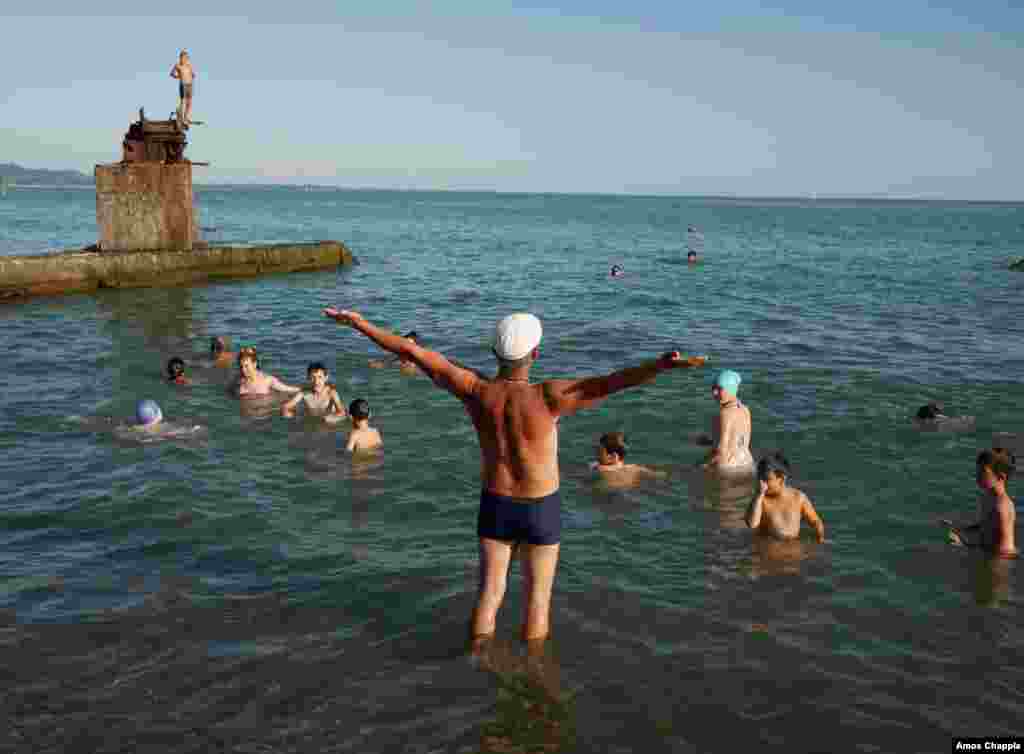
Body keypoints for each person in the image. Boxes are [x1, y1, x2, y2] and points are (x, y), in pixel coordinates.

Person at [323, 306, 707, 645]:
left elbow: (411, 350)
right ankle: (532, 680)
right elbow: (613, 381)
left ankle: (476, 664)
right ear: (535, 354)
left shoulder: (475, 390)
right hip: (541, 506)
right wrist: (660, 365)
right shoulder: (549, 396)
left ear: (494, 352)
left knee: (489, 595)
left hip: (496, 503)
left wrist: (359, 323)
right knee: (537, 602)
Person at [944, 448, 1018, 558]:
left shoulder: (1002, 507)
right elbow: (987, 525)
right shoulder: (989, 497)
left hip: (1000, 564)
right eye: (977, 471)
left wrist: (963, 545)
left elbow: (1004, 551)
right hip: (990, 556)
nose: (977, 476)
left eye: (982, 472)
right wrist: (961, 528)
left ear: (1001, 477)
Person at [745, 452, 825, 543]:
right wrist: (758, 496)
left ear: (781, 479)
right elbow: (752, 524)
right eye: (759, 478)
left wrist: (820, 537)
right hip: (768, 552)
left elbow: (815, 521)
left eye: (766, 479)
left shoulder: (798, 498)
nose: (761, 484)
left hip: (793, 549)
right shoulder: (761, 500)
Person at [703, 369, 754, 474]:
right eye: (713, 388)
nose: (714, 392)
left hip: (728, 468)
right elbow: (740, 440)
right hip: (747, 463)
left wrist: (702, 466)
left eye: (719, 389)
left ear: (731, 389)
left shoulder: (725, 414)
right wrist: (711, 441)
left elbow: (721, 450)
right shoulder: (745, 409)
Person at [592, 431, 666, 487]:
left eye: (599, 451)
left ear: (613, 456)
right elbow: (658, 475)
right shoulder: (633, 468)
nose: (596, 454)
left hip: (609, 495)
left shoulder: (599, 468)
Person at [281, 362, 346, 421]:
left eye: (320, 377)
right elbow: (286, 406)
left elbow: (342, 412)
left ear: (326, 378)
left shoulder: (331, 393)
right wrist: (287, 413)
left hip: (327, 422)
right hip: (311, 419)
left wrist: (332, 418)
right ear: (308, 378)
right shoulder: (304, 393)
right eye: (313, 377)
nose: (316, 381)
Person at [231, 346, 302, 398]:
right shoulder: (238, 380)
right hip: (244, 415)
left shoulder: (268, 380)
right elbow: (229, 392)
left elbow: (288, 389)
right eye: (241, 366)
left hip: (263, 415)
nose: (243, 369)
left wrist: (305, 389)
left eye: (246, 366)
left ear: (254, 364)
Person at [169, 50, 195, 125]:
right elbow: (171, 74)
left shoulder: (189, 65)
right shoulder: (177, 65)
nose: (184, 59)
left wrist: (192, 75)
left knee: (189, 102)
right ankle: (181, 118)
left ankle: (186, 117)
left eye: (186, 58)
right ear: (180, 58)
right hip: (183, 84)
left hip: (189, 84)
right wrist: (178, 76)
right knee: (183, 101)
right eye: (183, 57)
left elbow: (193, 74)